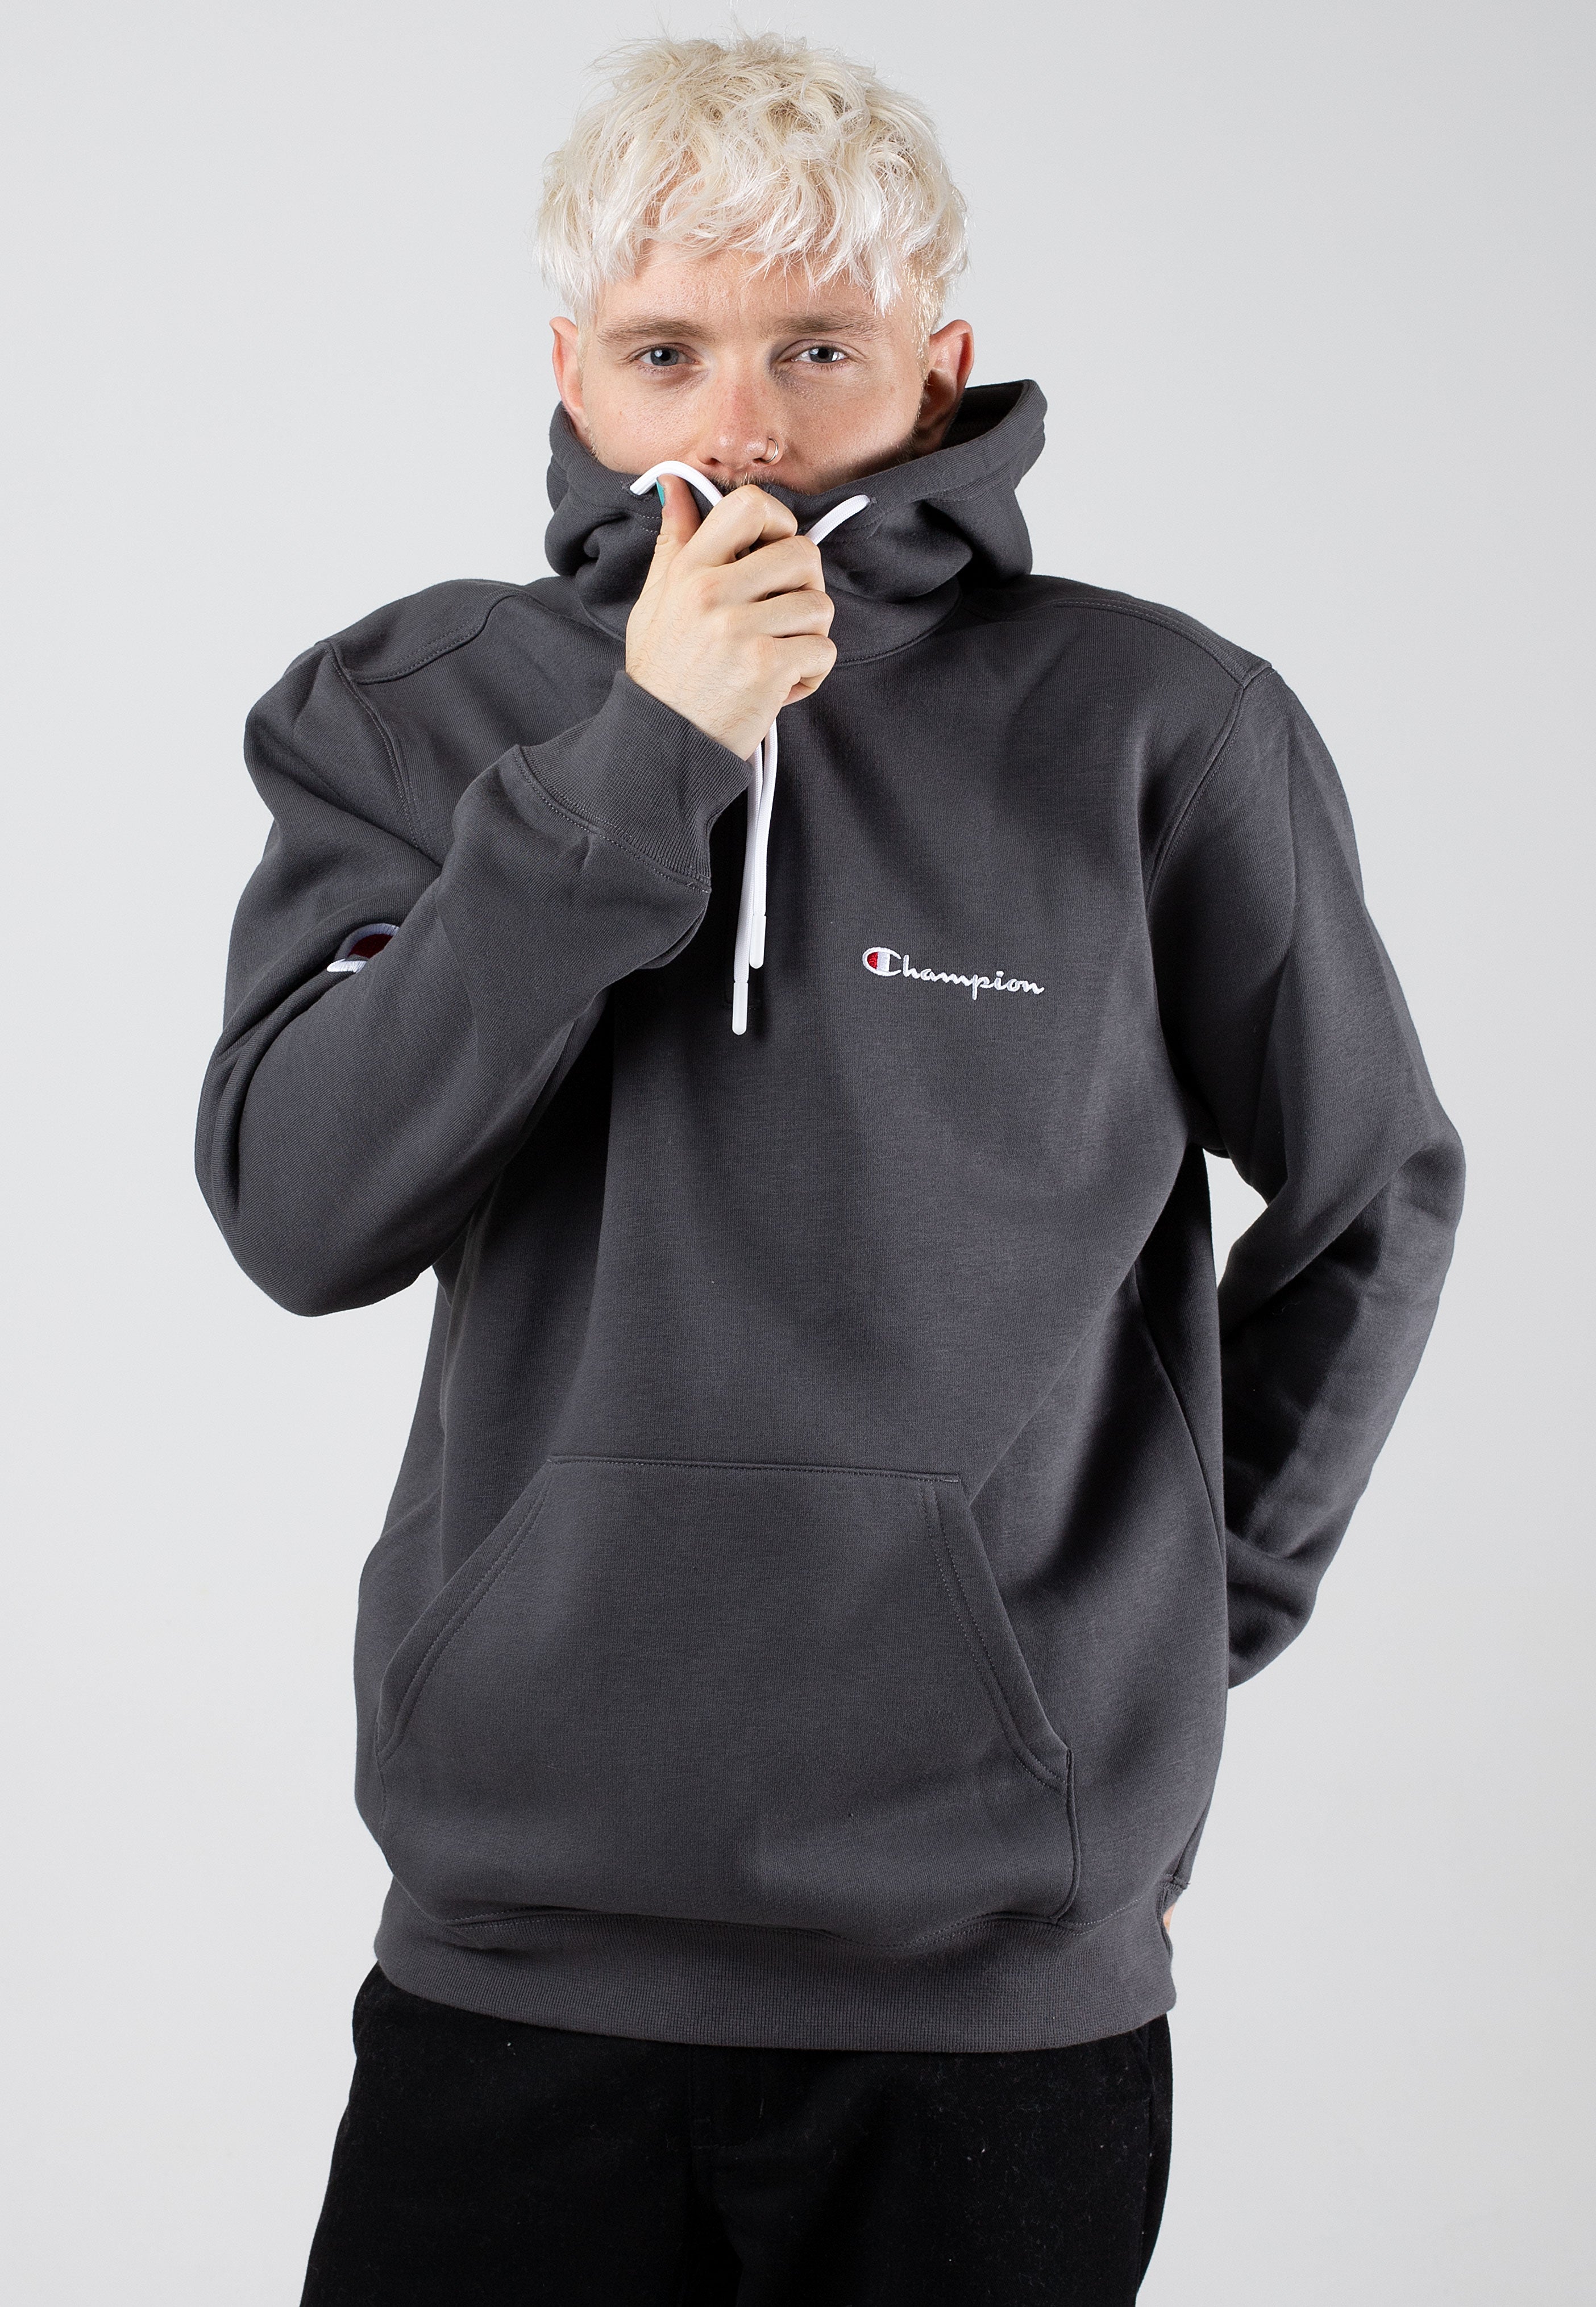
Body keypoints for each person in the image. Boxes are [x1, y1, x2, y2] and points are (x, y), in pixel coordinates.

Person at [196, 32, 1464, 2306]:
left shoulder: (1164, 730)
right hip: (519, 1953)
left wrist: (1173, 1614)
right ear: (572, 369)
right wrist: (637, 766)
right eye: (668, 351)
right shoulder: (413, 710)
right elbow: (304, 1207)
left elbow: (1375, 1191)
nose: (745, 420)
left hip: (988, 1999)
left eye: (818, 346)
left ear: (938, 367)